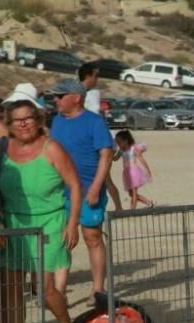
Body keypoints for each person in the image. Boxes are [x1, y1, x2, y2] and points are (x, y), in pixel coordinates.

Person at [0, 100, 81, 323]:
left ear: (38, 119)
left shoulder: (52, 148)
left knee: (45, 288)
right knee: (12, 289)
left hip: (50, 223)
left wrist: (72, 223)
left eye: (28, 118)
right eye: (17, 120)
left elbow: (74, 186)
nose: (24, 124)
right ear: (8, 124)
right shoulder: (3, 149)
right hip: (13, 224)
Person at [48, 78, 114, 300]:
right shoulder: (56, 121)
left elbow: (106, 155)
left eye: (59, 96)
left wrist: (96, 187)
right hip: (59, 191)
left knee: (92, 236)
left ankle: (98, 289)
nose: (55, 100)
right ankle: (60, 290)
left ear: (76, 98)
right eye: (54, 96)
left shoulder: (94, 122)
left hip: (87, 189)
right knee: (60, 238)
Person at [79, 63, 123, 212]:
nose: (98, 79)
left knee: (106, 180)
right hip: (95, 147)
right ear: (89, 75)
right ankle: (118, 207)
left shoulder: (90, 99)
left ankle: (118, 207)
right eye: (96, 75)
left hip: (98, 149)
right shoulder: (87, 99)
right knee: (107, 180)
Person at [114, 130, 153, 209]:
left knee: (134, 193)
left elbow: (141, 159)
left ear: (126, 141)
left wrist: (147, 170)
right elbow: (115, 159)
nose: (118, 145)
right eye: (117, 143)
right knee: (131, 194)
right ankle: (148, 202)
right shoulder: (121, 151)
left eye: (119, 142)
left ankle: (132, 210)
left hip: (134, 172)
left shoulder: (133, 149)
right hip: (126, 173)